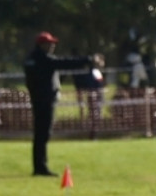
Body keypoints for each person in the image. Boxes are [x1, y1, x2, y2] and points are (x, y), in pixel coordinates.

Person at [24, 32, 93, 176]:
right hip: (45, 99)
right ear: (42, 45)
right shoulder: (44, 59)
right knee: (43, 134)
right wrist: (88, 59)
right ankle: (40, 167)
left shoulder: (30, 59)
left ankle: (39, 165)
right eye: (50, 44)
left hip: (37, 99)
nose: (52, 46)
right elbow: (65, 63)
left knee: (40, 134)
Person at [74, 53, 107, 139]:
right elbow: (93, 85)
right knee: (94, 115)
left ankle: (94, 133)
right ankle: (93, 134)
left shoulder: (97, 72)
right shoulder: (93, 72)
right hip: (94, 96)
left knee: (96, 115)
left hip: (98, 96)